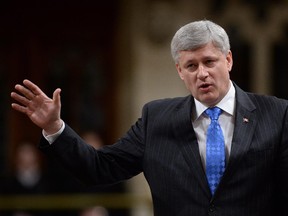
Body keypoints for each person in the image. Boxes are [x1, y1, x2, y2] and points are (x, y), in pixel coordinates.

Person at [10, 20, 288, 216]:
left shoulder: (277, 114)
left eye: (209, 61)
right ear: (180, 71)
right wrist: (54, 126)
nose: (201, 73)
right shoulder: (156, 118)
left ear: (228, 60)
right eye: (191, 65)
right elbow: (99, 168)